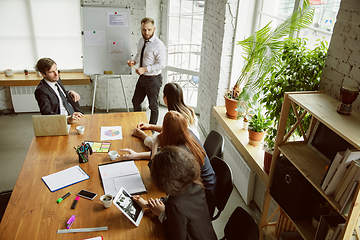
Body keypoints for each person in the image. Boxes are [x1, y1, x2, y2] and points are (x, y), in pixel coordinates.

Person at [120, 111, 217, 200]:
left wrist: (155, 144)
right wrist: (137, 155)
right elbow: (170, 130)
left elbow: (156, 173)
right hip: (205, 186)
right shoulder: (187, 132)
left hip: (202, 198)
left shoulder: (179, 153)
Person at [133, 146, 217, 240]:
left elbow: (175, 237)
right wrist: (150, 204)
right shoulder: (195, 184)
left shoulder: (175, 204)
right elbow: (182, 205)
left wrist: (162, 214)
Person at [132, 82, 199, 148]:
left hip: (182, 153)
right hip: (195, 147)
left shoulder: (173, 118)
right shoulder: (189, 111)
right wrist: (150, 126)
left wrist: (142, 135)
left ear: (166, 98)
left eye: (163, 95)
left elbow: (156, 145)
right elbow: (169, 130)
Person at [127, 17, 166, 125]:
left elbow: (162, 64)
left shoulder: (159, 45)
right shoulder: (141, 41)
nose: (146, 32)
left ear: (154, 28)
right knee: (136, 101)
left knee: (153, 106)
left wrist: (145, 69)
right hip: (143, 78)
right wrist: (134, 61)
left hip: (154, 79)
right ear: (141, 28)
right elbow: (139, 55)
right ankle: (138, 124)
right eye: (144, 30)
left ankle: (151, 129)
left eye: (149, 29)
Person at [34, 58, 83, 123]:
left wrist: (70, 92)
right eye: (51, 72)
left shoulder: (56, 79)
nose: (56, 74)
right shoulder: (41, 91)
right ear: (43, 74)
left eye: (56, 69)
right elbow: (47, 114)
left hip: (74, 114)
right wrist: (67, 119)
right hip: (61, 121)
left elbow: (59, 94)